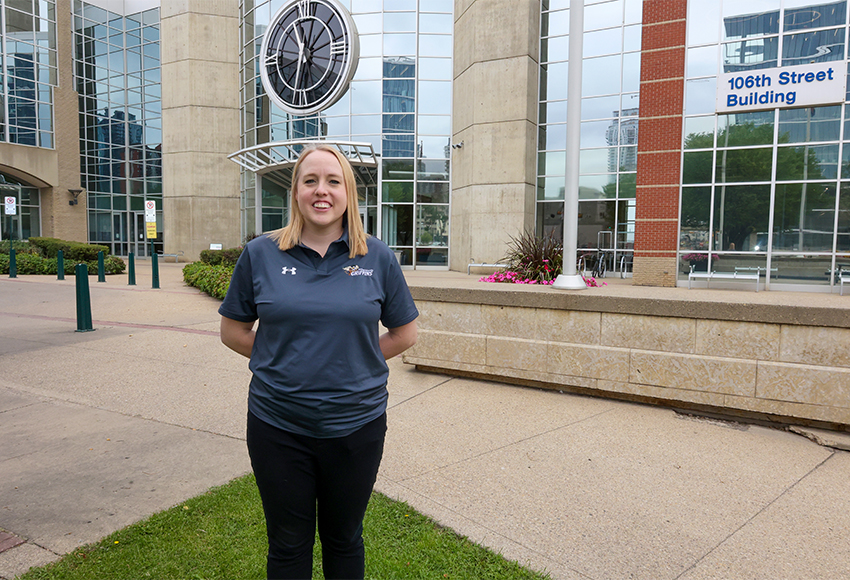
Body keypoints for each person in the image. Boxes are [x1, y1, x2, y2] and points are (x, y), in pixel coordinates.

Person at [219, 144, 419, 580]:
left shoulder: (377, 258)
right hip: (277, 425)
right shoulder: (261, 254)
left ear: (349, 193)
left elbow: (405, 333)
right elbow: (233, 331)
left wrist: (352, 361)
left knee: (344, 537)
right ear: (295, 193)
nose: (321, 191)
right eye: (310, 181)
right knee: (288, 543)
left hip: (357, 426)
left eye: (333, 181)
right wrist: (285, 359)